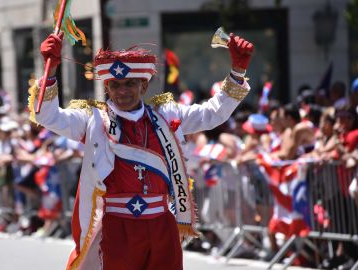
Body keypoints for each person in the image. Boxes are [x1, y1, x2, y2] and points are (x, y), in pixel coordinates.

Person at [31, 31, 253, 270]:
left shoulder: (167, 115)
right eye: (115, 84)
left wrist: (237, 73)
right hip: (117, 225)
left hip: (161, 224)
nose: (122, 91)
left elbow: (212, 114)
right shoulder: (93, 119)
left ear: (144, 85)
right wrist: (50, 72)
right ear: (107, 87)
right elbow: (48, 116)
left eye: (130, 84)